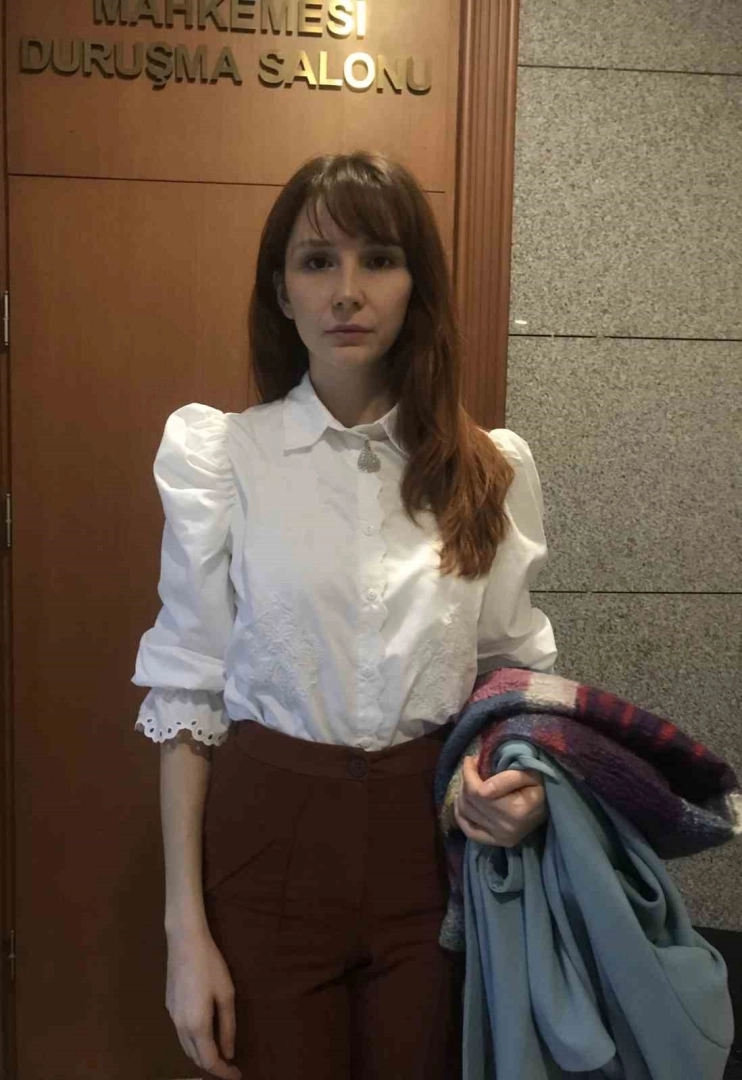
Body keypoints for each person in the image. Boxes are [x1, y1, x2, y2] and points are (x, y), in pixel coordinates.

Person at [132, 150, 558, 1080]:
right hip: (267, 845)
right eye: (318, 261)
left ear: (417, 286)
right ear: (281, 291)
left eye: (380, 259)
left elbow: (512, 679)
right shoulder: (224, 458)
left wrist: (521, 782)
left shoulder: (488, 469)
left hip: (433, 848)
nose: (347, 291)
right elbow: (189, 697)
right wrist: (183, 932)